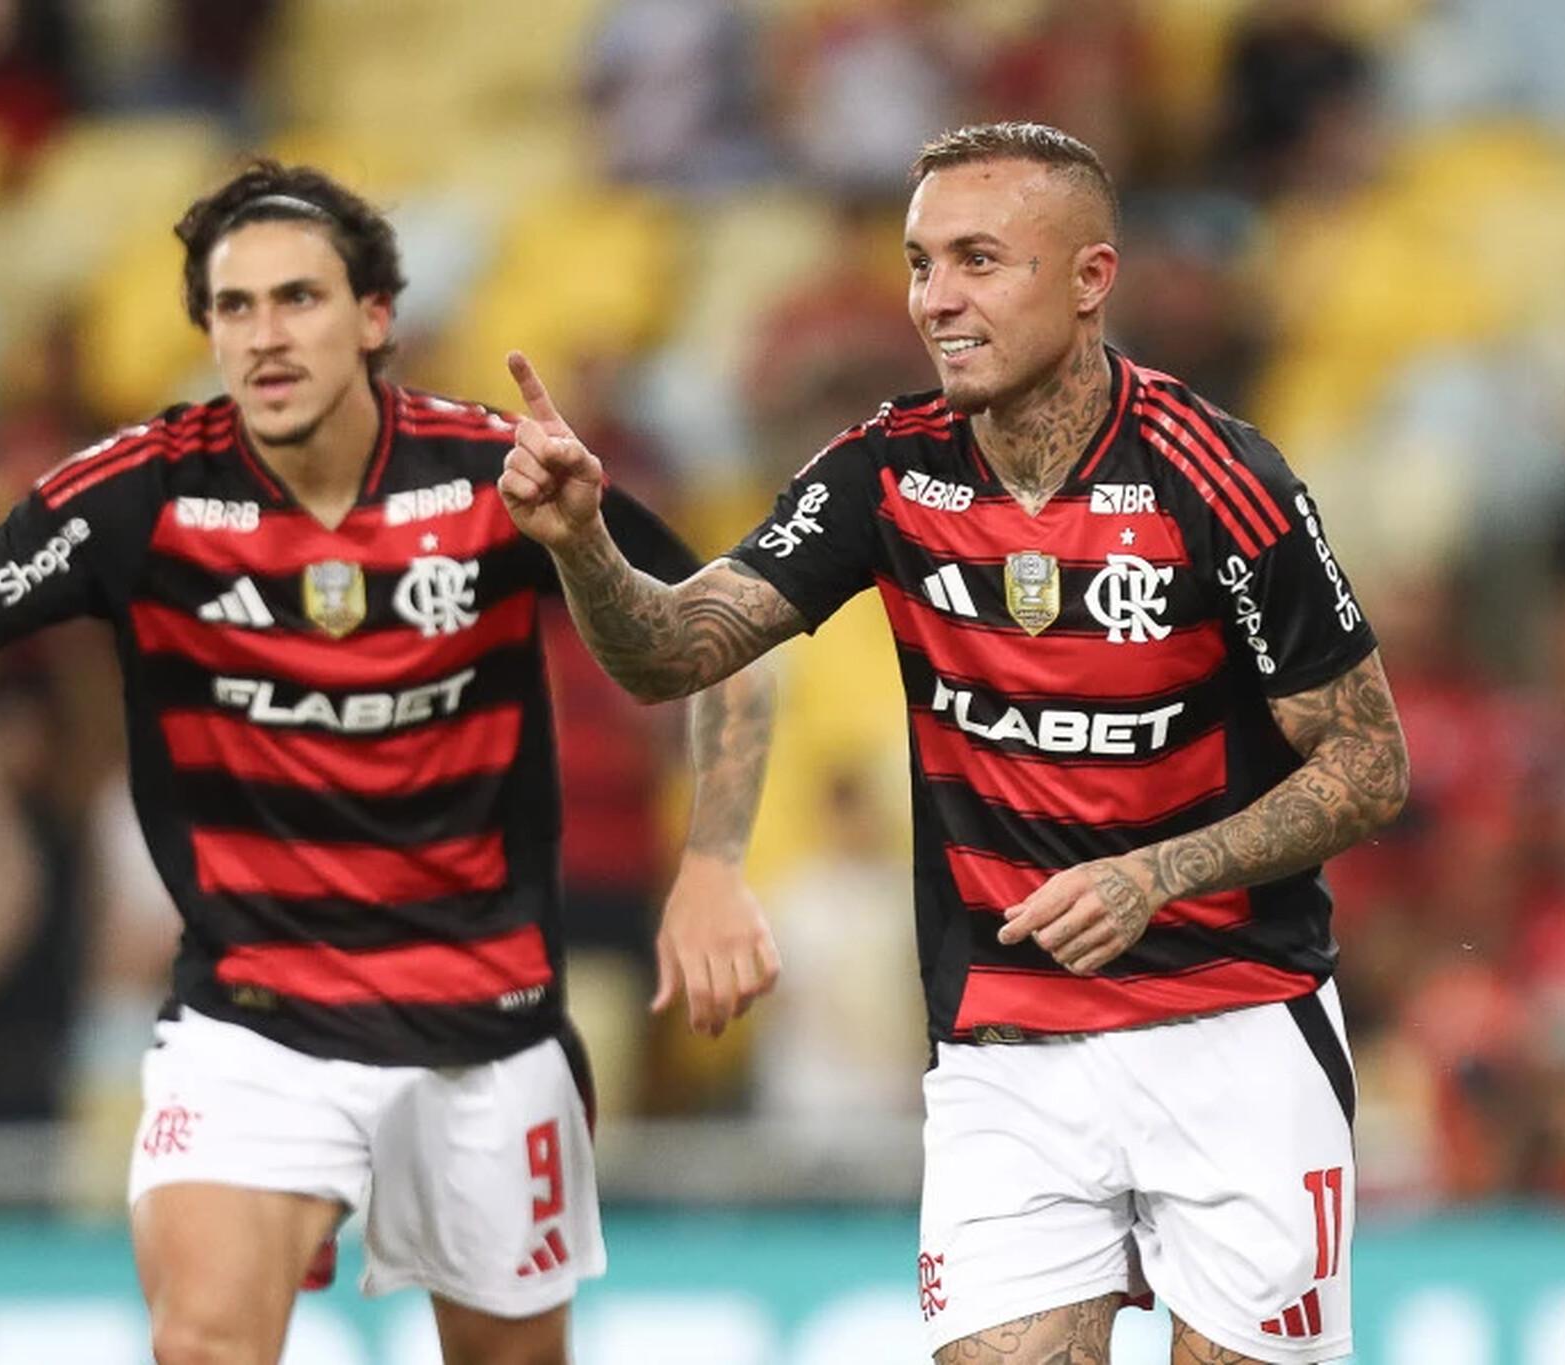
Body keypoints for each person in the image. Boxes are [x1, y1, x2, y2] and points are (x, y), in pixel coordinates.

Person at [498, 121, 1409, 1365]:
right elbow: (676, 653)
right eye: (921, 263)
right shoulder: (885, 471)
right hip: (1004, 1040)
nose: (936, 300)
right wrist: (580, 548)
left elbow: (1367, 764)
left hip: (1232, 1025)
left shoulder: (1217, 480)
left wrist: (1157, 873)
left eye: (978, 260)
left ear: (1090, 277)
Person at [0, 160, 778, 1365]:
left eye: (298, 300)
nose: (265, 337)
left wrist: (709, 864)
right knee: (203, 1343)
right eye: (234, 308)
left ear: (373, 317)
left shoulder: (494, 474)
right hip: (252, 1022)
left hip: (481, 1027)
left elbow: (725, 649)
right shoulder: (137, 495)